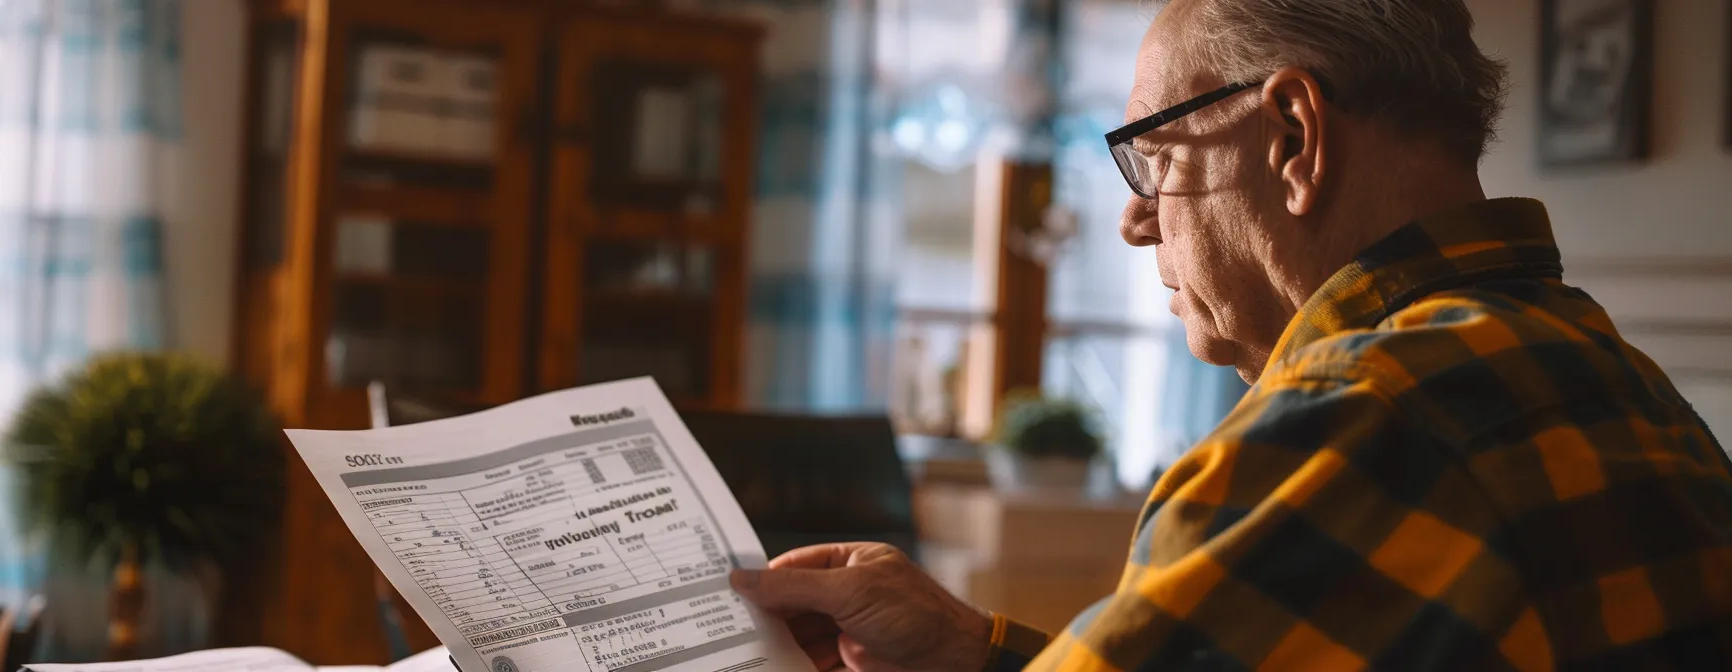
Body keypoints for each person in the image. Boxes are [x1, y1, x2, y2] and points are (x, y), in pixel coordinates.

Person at [728, 0, 1732, 669]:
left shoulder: (1357, 422)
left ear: (1292, 136)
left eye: (1150, 156)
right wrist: (969, 646)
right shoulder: (1598, 368)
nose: (1134, 219)